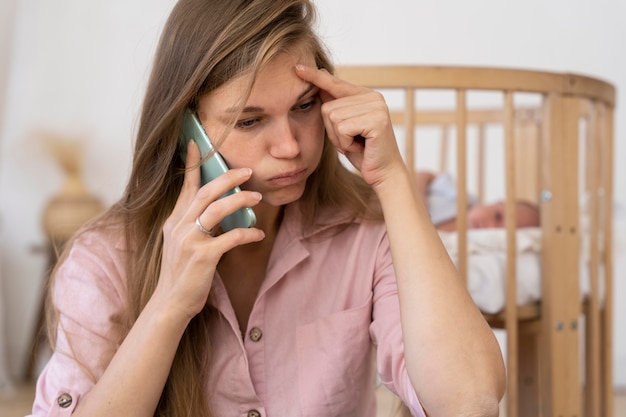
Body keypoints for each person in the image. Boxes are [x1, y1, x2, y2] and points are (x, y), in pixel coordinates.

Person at [30, 1, 505, 416]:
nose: (290, 146)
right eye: (250, 120)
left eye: (303, 107)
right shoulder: (104, 260)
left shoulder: (367, 236)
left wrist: (393, 179)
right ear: (185, 131)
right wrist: (169, 306)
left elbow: (470, 403)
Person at [414, 171, 540, 231]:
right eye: (497, 217)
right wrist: (418, 201)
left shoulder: (466, 246)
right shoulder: (461, 197)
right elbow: (422, 175)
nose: (489, 226)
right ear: (495, 202)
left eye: (499, 232)